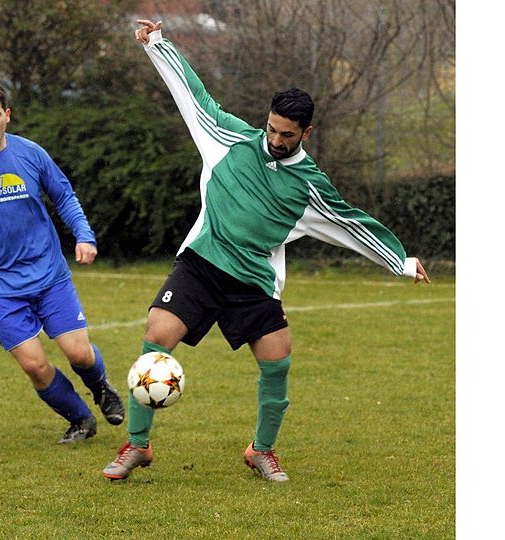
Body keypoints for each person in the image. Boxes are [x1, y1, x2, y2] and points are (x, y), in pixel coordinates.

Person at [102, 21, 431, 482]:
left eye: (288, 135)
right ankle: (136, 446)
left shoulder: (308, 186)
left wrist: (400, 261)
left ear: (306, 133)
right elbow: (193, 96)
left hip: (253, 280)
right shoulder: (227, 138)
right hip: (202, 263)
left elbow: (351, 223)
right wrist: (157, 43)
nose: (277, 140)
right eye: (273, 130)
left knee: (278, 359)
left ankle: (262, 450)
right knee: (157, 334)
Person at [0, 79, 124, 444]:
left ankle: (100, 388)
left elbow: (63, 195)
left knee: (79, 353)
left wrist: (84, 235)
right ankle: (80, 419)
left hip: (48, 274)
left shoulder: (31, 154)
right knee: (34, 365)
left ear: (8, 116)